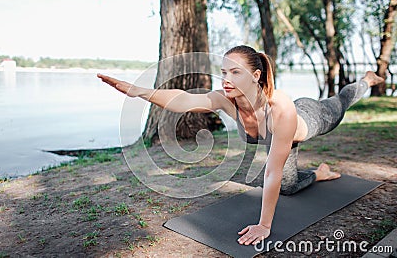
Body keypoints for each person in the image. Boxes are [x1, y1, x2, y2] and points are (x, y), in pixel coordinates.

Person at [97, 45, 384, 246]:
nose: (226, 79)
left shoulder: (278, 107)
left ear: (256, 75)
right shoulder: (226, 99)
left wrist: (264, 225)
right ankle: (318, 174)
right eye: (224, 72)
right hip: (282, 138)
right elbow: (183, 99)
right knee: (287, 187)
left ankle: (365, 81)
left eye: (235, 72)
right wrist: (138, 91)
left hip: (308, 118)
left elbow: (271, 172)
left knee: (339, 103)